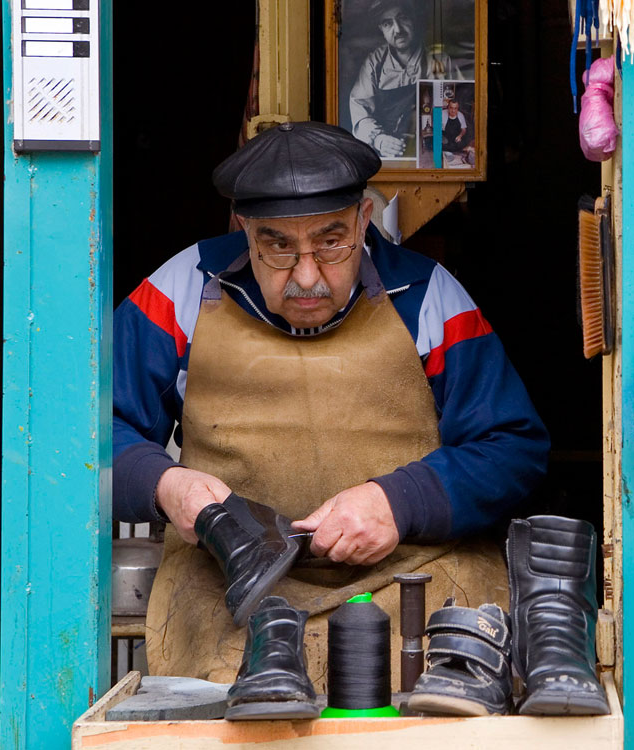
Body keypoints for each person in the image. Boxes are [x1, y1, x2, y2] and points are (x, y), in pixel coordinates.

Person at [112, 121, 548, 686]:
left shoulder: (427, 296)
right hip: (230, 592)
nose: (308, 276)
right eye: (278, 246)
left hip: (412, 578)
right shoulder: (181, 291)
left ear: (364, 218)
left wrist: (399, 502)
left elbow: (514, 446)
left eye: (332, 241)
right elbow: (87, 438)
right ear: (244, 229)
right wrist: (169, 488)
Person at [349, 0, 463, 159]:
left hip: (430, 153)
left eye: (402, 18)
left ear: (413, 18)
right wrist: (379, 139)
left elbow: (459, 108)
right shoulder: (374, 64)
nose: (398, 30)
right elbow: (360, 112)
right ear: (381, 29)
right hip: (387, 156)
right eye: (387, 23)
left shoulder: (440, 61)